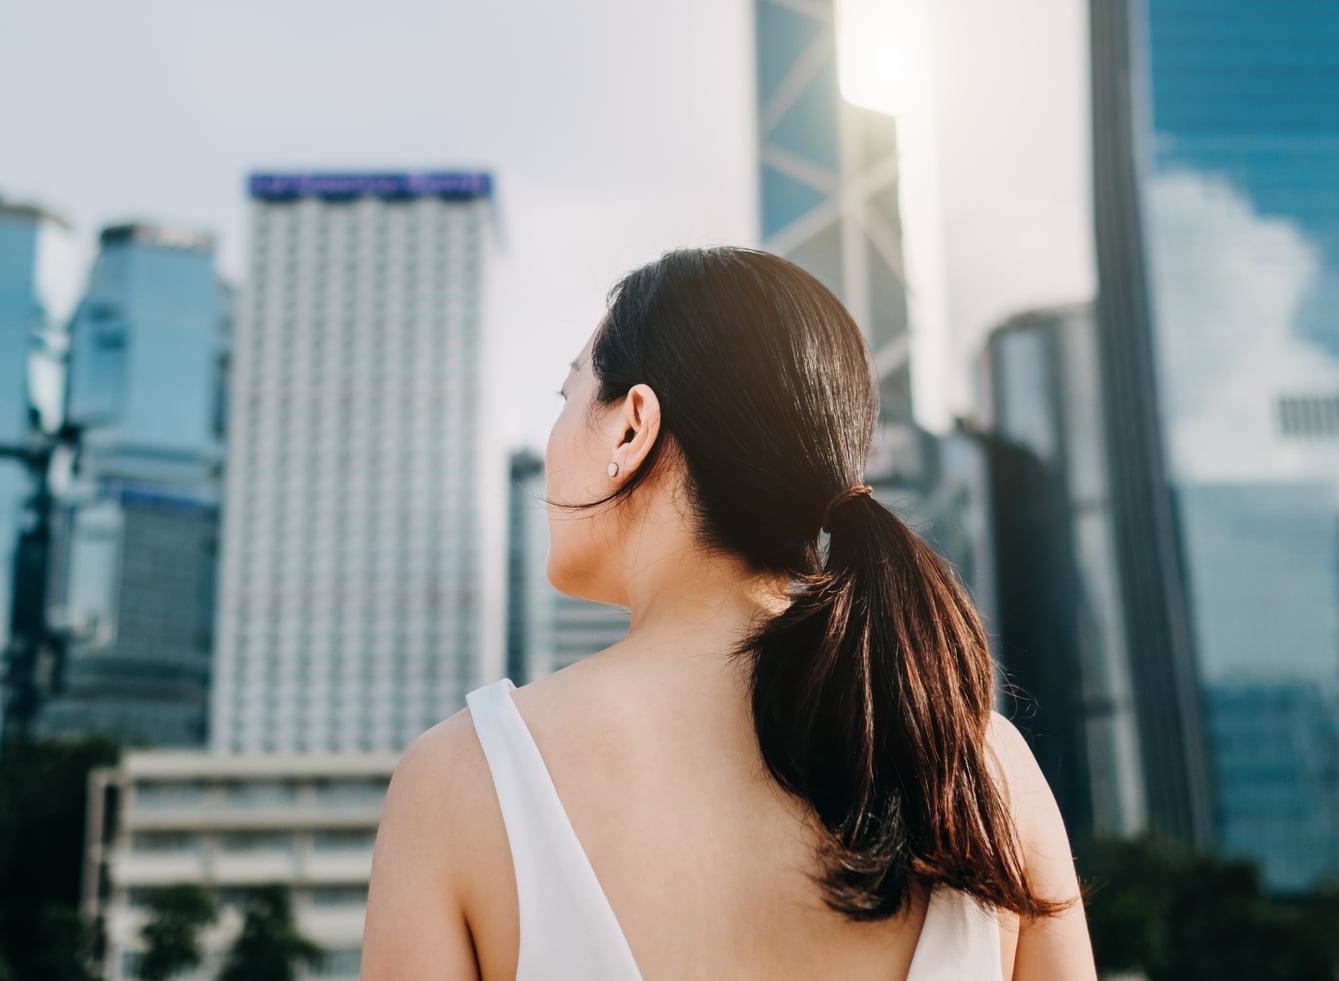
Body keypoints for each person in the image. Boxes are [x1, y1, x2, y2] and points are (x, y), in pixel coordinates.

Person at [363, 248, 1095, 980]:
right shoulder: (980, 772)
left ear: (631, 427)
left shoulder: (462, 782)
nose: (554, 438)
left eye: (568, 396)